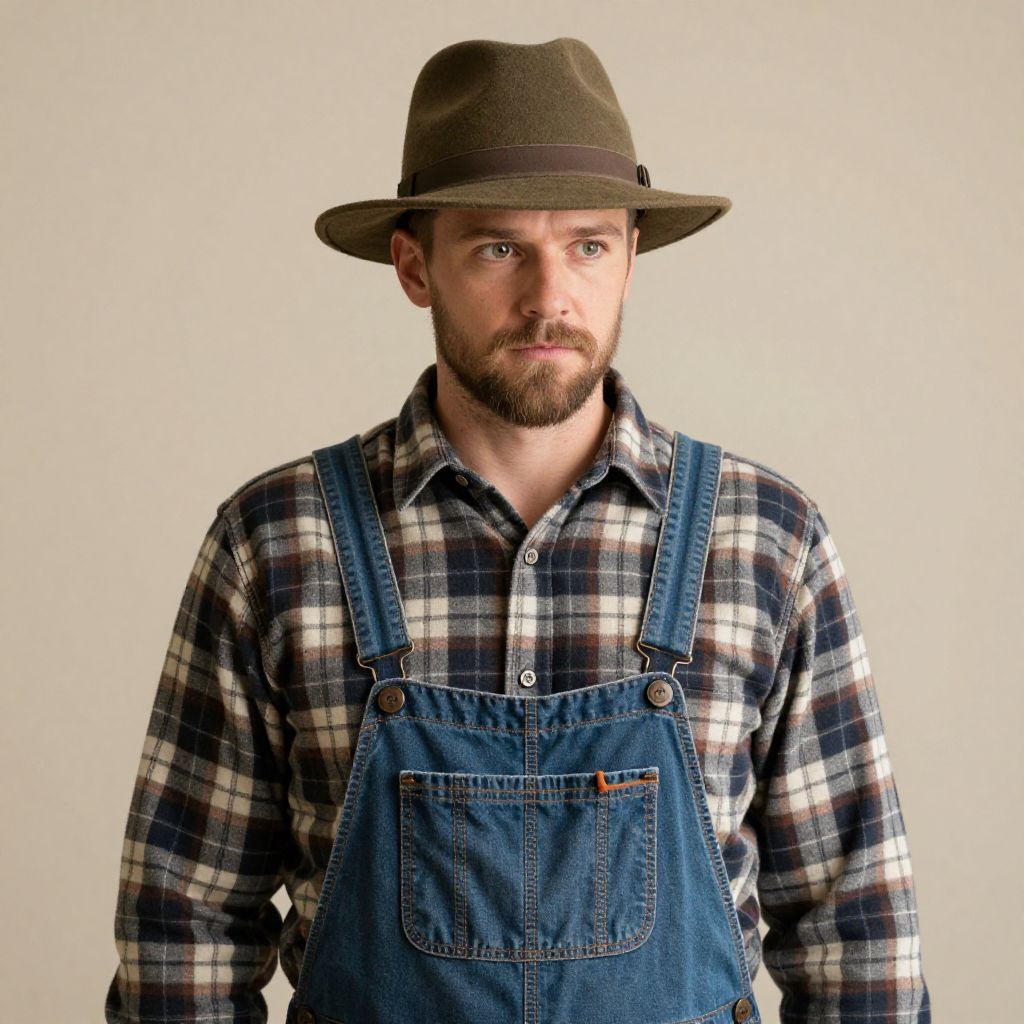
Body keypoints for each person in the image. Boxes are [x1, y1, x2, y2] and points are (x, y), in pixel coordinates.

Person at [105, 37, 930, 1024]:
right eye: (499, 248)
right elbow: (182, 926)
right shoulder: (276, 541)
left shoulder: (766, 542)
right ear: (414, 266)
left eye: (587, 244)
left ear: (630, 257)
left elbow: (858, 936)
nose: (550, 297)